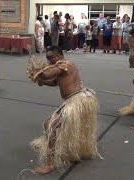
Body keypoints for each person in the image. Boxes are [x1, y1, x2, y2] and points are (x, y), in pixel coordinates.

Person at [27, 46, 98, 175]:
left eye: (52, 57)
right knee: (48, 124)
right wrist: (42, 81)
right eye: (47, 59)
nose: (50, 61)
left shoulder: (65, 64)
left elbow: (47, 74)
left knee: (50, 125)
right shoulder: (60, 68)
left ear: (60, 55)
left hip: (77, 101)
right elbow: (55, 81)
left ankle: (50, 163)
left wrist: (38, 71)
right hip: (76, 100)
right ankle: (78, 150)